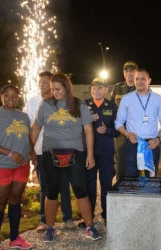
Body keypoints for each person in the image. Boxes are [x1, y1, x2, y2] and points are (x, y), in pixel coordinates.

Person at [30, 73, 102, 242]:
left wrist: (90, 154)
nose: (54, 92)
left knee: (80, 189)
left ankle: (90, 227)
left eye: (58, 89)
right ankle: (50, 228)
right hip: (50, 153)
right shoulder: (45, 105)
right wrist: (30, 151)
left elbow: (89, 130)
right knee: (51, 191)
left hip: (75, 152)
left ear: (66, 87)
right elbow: (35, 129)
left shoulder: (78, 104)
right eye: (52, 89)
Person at [0, 85, 37, 250]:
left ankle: (14, 238)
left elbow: (27, 139)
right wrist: (10, 153)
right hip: (1, 165)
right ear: (2, 97)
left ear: (18, 97)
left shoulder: (23, 116)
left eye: (14, 95)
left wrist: (33, 156)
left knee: (15, 201)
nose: (11, 98)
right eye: (7, 95)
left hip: (21, 166)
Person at [26, 71, 75, 233]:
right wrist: (30, 152)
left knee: (63, 184)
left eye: (46, 82)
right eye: (40, 82)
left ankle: (67, 217)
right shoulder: (32, 102)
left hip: (61, 149)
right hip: (41, 151)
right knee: (45, 187)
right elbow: (31, 128)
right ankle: (44, 220)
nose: (42, 85)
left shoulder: (59, 101)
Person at [115, 68, 161, 177]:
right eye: (137, 79)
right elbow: (118, 122)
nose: (139, 81)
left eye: (143, 79)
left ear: (149, 80)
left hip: (151, 145)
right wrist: (127, 134)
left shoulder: (157, 99)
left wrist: (158, 139)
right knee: (133, 180)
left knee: (152, 180)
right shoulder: (126, 98)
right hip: (133, 144)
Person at [84, 77, 119, 224]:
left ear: (106, 90)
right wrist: (87, 118)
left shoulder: (112, 106)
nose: (95, 91)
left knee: (106, 184)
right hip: (88, 153)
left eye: (99, 88)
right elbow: (75, 127)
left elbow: (118, 130)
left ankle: (107, 215)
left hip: (106, 152)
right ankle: (88, 217)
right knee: (89, 184)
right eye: (93, 88)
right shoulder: (84, 105)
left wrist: (107, 131)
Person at [111, 61, 138, 181]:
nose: (129, 73)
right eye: (127, 71)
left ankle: (134, 191)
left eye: (132, 70)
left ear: (136, 72)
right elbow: (112, 108)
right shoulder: (117, 88)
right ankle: (119, 191)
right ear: (123, 73)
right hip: (120, 133)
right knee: (120, 162)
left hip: (136, 132)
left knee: (135, 164)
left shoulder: (141, 86)